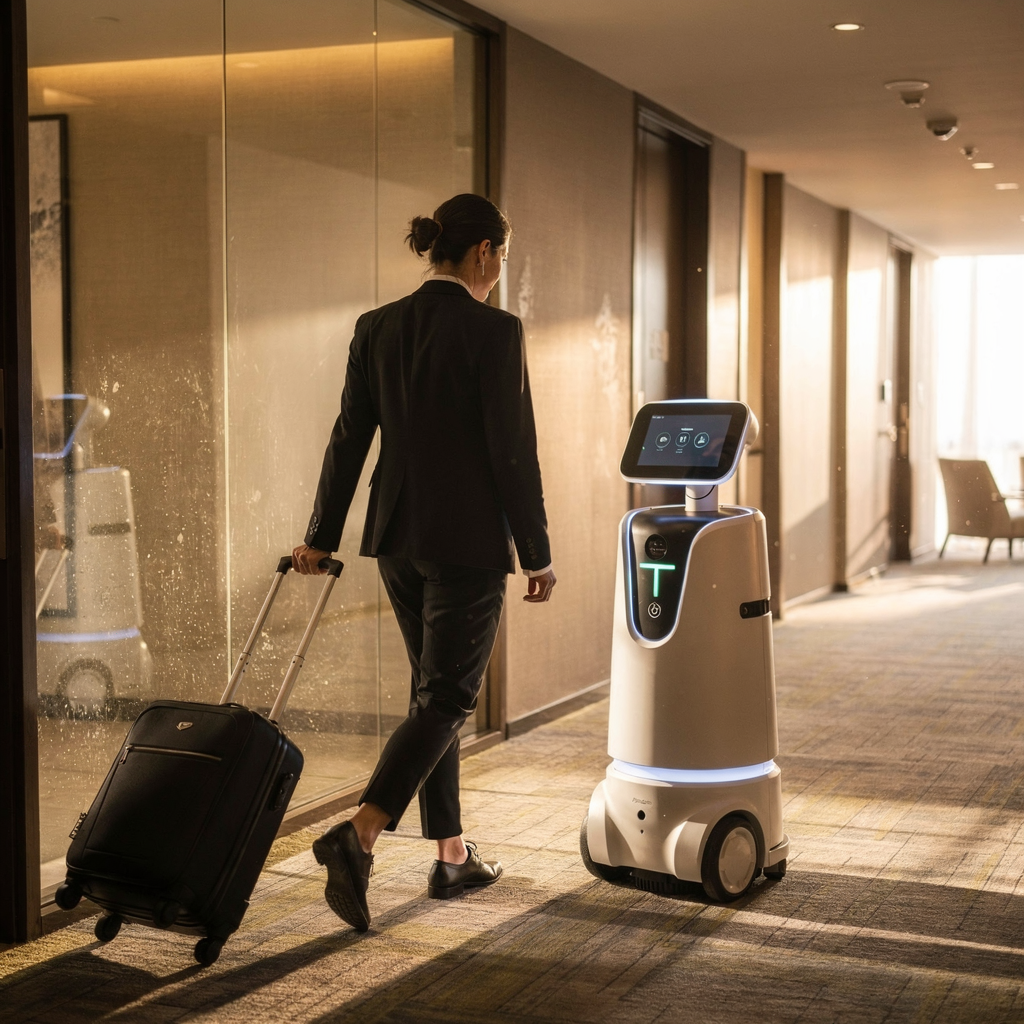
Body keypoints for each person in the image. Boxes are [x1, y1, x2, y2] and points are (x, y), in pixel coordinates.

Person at [292, 193, 555, 932]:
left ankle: (450, 853)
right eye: (501, 256)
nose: (500, 270)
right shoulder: (495, 332)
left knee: (430, 700)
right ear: (482, 254)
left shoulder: (377, 328)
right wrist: (535, 551)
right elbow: (512, 452)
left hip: (398, 539)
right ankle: (361, 833)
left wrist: (321, 534)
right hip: (467, 545)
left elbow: (349, 439)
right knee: (448, 699)